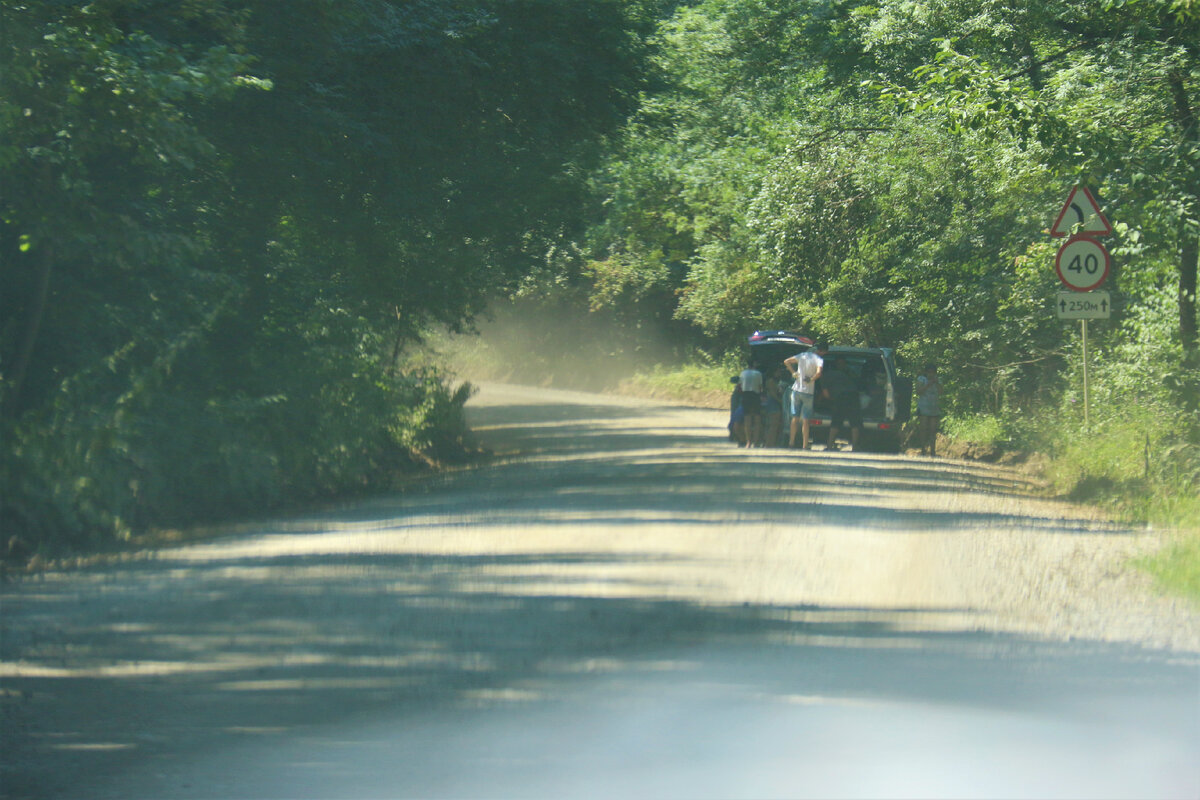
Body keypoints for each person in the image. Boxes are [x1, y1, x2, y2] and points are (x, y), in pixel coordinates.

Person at [784, 340, 827, 450]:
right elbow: (819, 373)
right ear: (821, 351)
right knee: (806, 420)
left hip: (796, 389)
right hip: (808, 392)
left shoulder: (802, 355)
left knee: (795, 418)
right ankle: (805, 445)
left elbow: (786, 361)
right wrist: (811, 379)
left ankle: (791, 443)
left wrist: (793, 373)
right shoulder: (819, 360)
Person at [821, 357, 861, 451]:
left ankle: (830, 446)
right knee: (855, 422)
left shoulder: (824, 377)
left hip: (841, 397)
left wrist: (832, 402)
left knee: (836, 422)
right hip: (854, 396)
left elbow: (826, 395)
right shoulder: (847, 374)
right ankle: (855, 447)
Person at [916, 362, 942, 456]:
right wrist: (928, 384)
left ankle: (932, 451)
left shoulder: (938, 380)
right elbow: (918, 391)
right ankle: (923, 449)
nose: (931, 374)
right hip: (923, 407)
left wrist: (936, 383)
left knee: (933, 429)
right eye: (929, 372)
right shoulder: (921, 379)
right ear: (925, 372)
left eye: (933, 372)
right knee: (923, 429)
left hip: (934, 408)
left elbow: (941, 391)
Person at [737, 361, 765, 447]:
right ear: (755, 365)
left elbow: (739, 386)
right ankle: (756, 442)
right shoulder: (758, 373)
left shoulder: (743, 373)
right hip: (755, 396)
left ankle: (748, 441)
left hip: (746, 396)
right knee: (757, 419)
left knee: (747, 419)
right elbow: (760, 387)